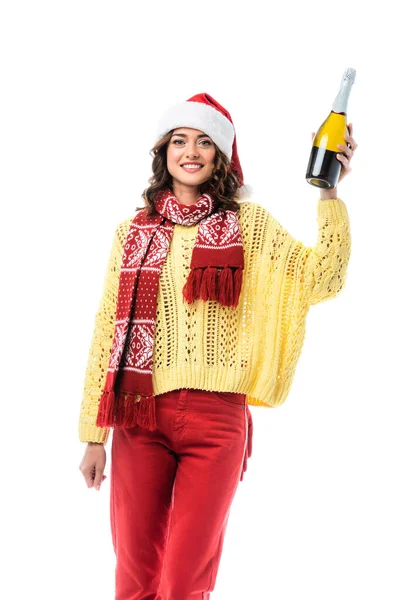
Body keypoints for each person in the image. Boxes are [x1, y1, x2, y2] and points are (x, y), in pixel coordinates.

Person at [78, 92, 356, 600]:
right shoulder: (131, 232)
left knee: (186, 582)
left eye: (204, 141)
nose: (191, 150)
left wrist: (329, 195)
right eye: (179, 140)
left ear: (220, 155)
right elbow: (106, 331)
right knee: (134, 579)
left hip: (217, 420)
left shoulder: (250, 227)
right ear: (163, 153)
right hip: (139, 416)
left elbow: (323, 279)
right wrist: (93, 435)